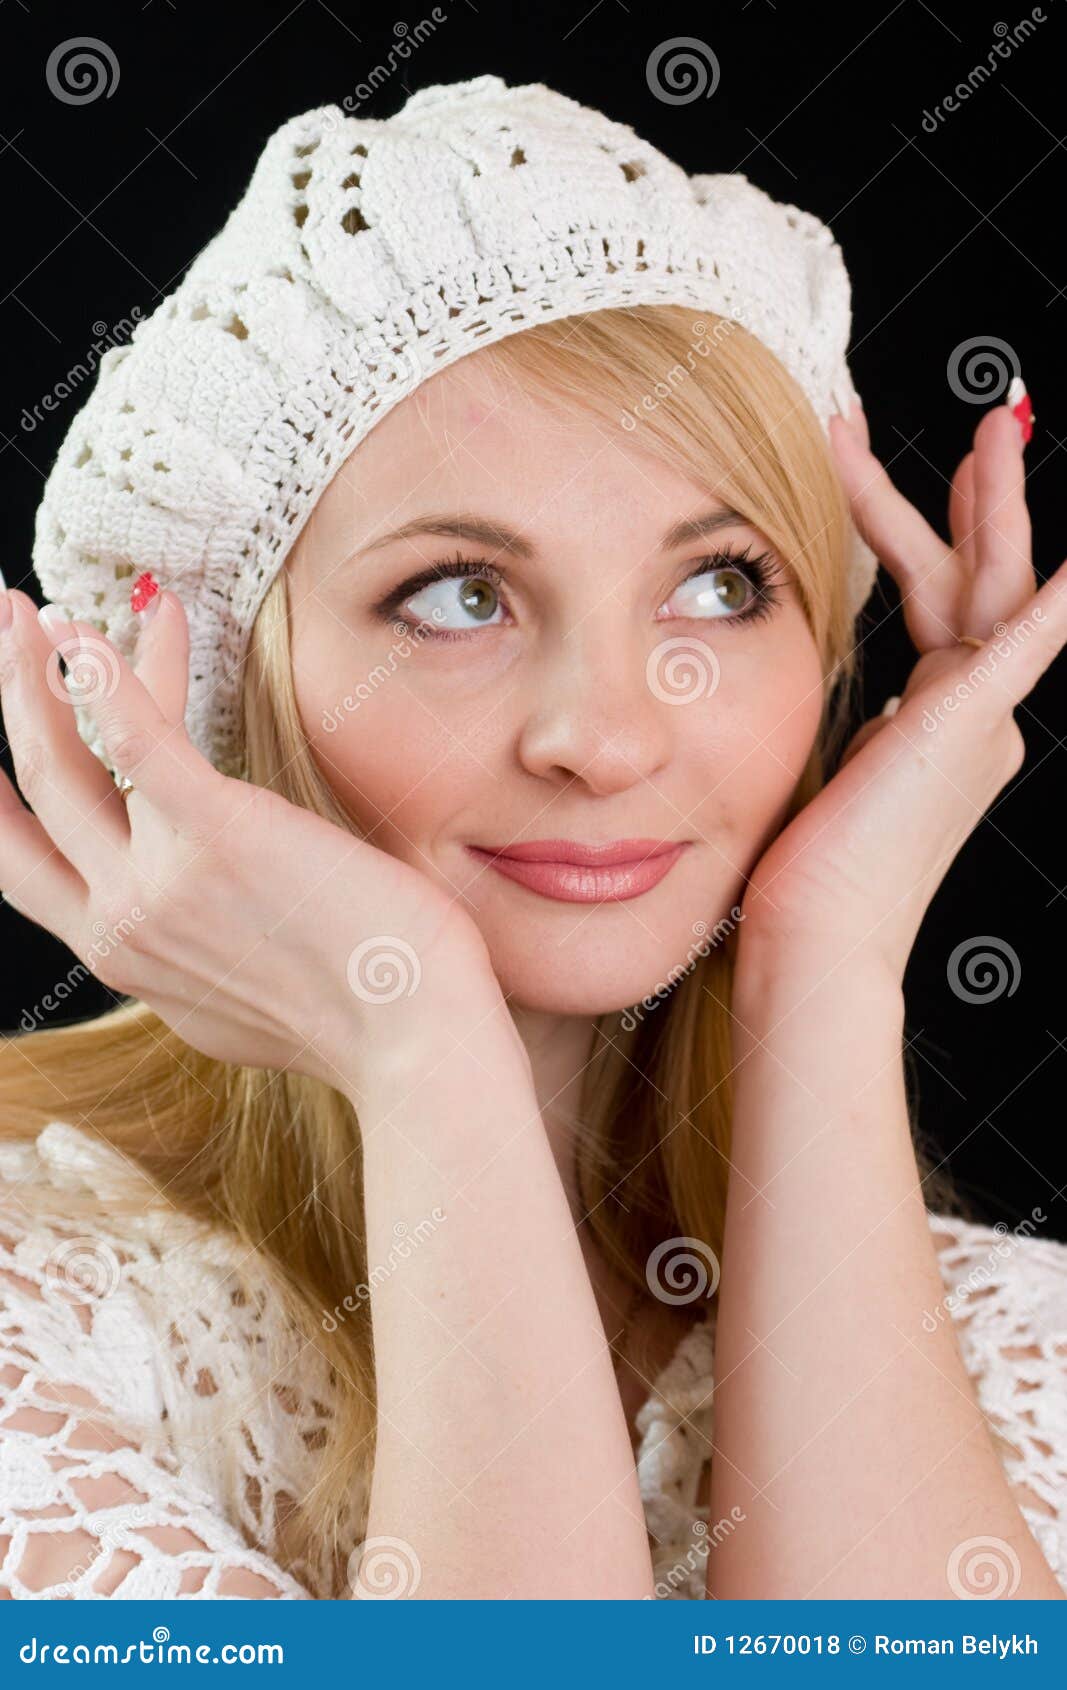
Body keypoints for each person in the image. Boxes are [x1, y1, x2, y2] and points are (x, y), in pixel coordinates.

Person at [0, 74, 1064, 1602]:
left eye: (720, 587)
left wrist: (827, 962)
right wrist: (417, 1041)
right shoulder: (42, 1312)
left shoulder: (1025, 1347)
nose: (610, 737)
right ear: (228, 683)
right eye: (459, 596)